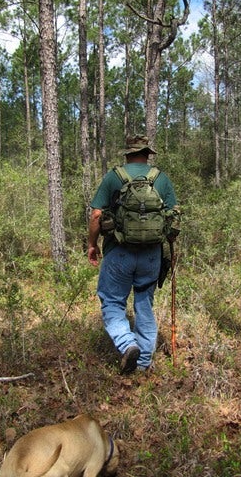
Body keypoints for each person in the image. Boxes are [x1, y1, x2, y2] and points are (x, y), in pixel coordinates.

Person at [87, 135, 179, 374]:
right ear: (148, 154)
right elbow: (174, 219)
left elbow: (97, 215)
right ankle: (143, 364)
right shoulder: (161, 179)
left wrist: (92, 244)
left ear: (127, 154)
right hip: (151, 255)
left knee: (112, 300)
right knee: (144, 305)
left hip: (119, 252)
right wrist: (169, 251)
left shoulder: (114, 177)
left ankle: (127, 344)